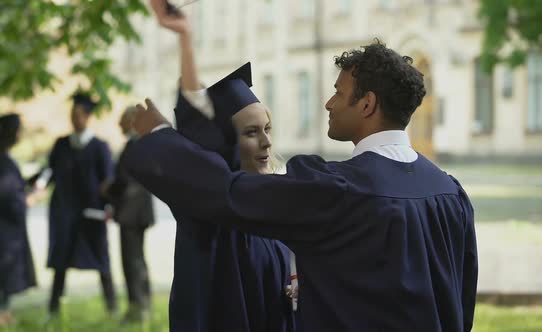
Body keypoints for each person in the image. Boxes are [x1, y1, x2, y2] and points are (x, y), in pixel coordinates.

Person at [126, 4, 479, 329]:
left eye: (339, 93)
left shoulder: (336, 190)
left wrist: (160, 135)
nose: (328, 102)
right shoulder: (450, 194)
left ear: (367, 104)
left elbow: (226, 191)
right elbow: (460, 305)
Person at [153, 2, 296, 330]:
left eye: (267, 129)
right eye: (250, 132)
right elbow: (196, 122)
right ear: (225, 142)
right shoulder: (210, 208)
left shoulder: (276, 202)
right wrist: (185, 37)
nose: (266, 142)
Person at [37, 93, 117, 317]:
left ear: (88, 117)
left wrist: (109, 206)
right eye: (72, 114)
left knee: (101, 259)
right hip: (64, 212)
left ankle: (112, 308)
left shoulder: (99, 147)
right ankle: (53, 310)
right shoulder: (62, 144)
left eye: (79, 115)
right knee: (61, 261)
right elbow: (49, 171)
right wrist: (35, 185)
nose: (74, 119)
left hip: (91, 212)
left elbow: (108, 180)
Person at [0, 113, 38, 327]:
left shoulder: (3, 159)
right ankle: (0, 312)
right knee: (3, 266)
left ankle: (4, 311)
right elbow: (8, 196)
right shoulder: (2, 162)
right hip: (4, 226)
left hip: (4, 226)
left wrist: (31, 182)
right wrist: (29, 200)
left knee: (7, 265)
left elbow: (14, 185)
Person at [106, 107, 155, 323]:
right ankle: (143, 303)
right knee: (138, 260)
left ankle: (138, 307)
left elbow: (125, 181)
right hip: (138, 212)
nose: (119, 125)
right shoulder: (143, 144)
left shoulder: (135, 146)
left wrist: (108, 190)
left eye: (123, 121)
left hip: (131, 212)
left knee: (131, 261)